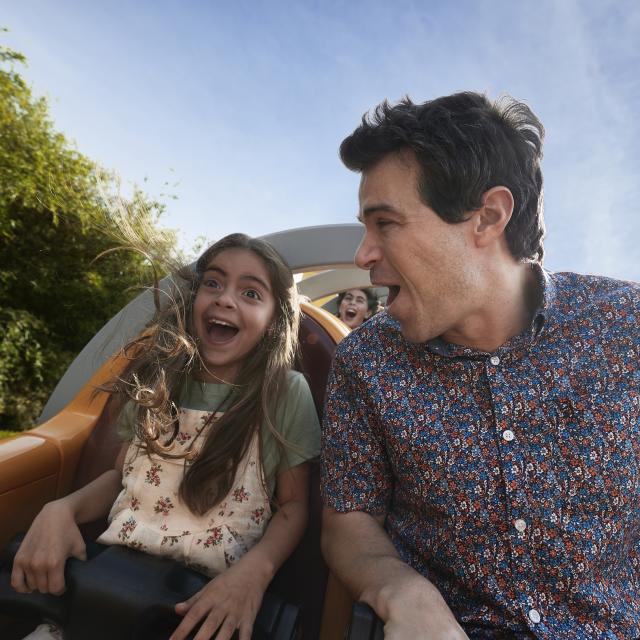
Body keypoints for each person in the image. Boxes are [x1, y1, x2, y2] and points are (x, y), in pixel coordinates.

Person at [320, 92, 640, 639]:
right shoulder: (365, 361)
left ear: (488, 217)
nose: (362, 254)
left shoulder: (625, 328)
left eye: (385, 223)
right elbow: (348, 518)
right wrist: (399, 588)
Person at [11, 233, 321, 640]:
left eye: (250, 292)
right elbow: (121, 478)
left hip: (201, 607)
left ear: (273, 321)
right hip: (106, 587)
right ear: (194, 299)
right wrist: (61, 510)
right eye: (213, 282)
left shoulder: (283, 393)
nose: (225, 299)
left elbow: (293, 507)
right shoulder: (158, 377)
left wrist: (254, 576)